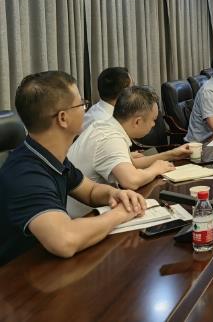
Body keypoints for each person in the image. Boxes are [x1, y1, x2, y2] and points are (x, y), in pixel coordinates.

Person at [0, 71, 146, 265]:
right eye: (81, 105)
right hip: (18, 275)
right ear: (63, 118)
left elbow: (90, 191)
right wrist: (121, 213)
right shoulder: (26, 174)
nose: (85, 110)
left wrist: (115, 194)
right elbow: (65, 240)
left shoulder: (49, 156)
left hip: (47, 263)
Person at [67, 86, 193, 216]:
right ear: (137, 121)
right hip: (83, 217)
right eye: (153, 120)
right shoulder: (110, 138)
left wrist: (171, 154)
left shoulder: (106, 126)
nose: (154, 124)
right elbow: (131, 181)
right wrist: (155, 169)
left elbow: (132, 165)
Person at [82, 67, 132, 131]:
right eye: (131, 89)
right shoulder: (106, 124)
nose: (134, 93)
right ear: (124, 93)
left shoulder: (96, 109)